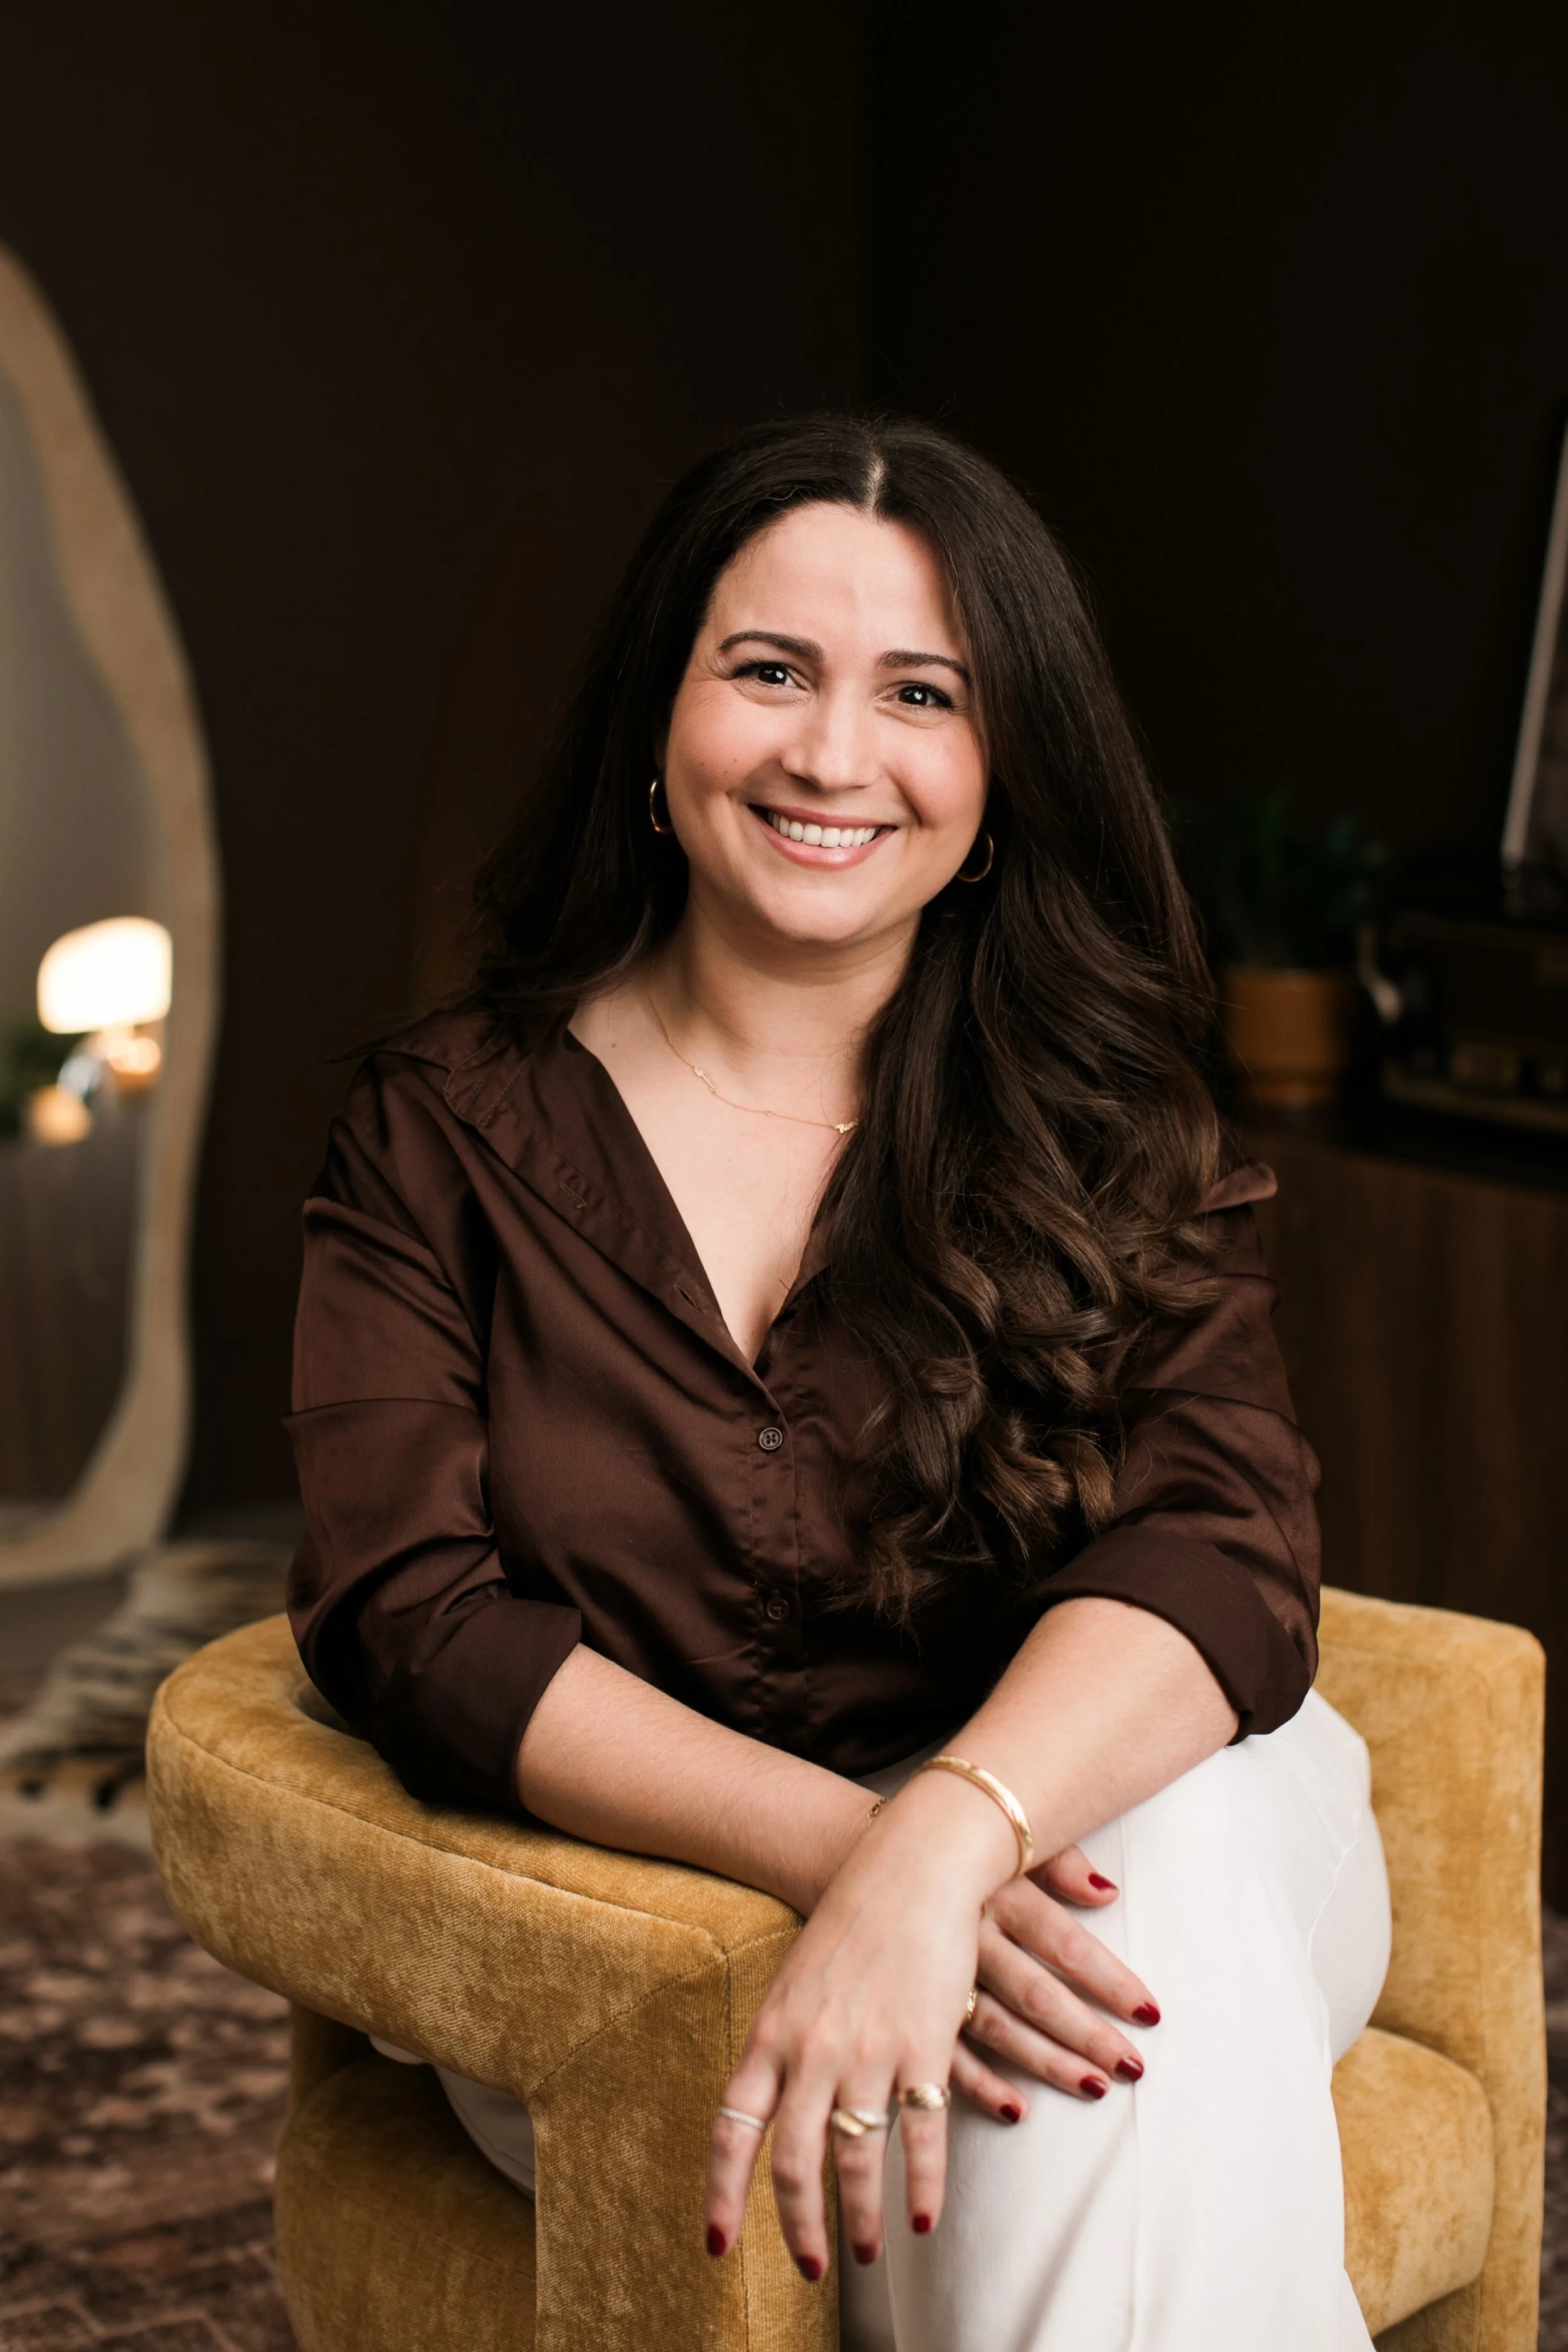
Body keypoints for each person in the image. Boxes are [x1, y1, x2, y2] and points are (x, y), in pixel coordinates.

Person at [287, 413, 1391, 2351]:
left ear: (998, 768)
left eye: (920, 692)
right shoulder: (435, 1130)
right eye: (768, 669)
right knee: (1094, 2128)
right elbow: (408, 1615)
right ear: (658, 715)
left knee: (1157, 1875)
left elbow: (1223, 1540)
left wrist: (959, 1825)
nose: (829, 752)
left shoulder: (1109, 1118)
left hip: (1120, 1836)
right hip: (655, 1927)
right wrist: (853, 1863)